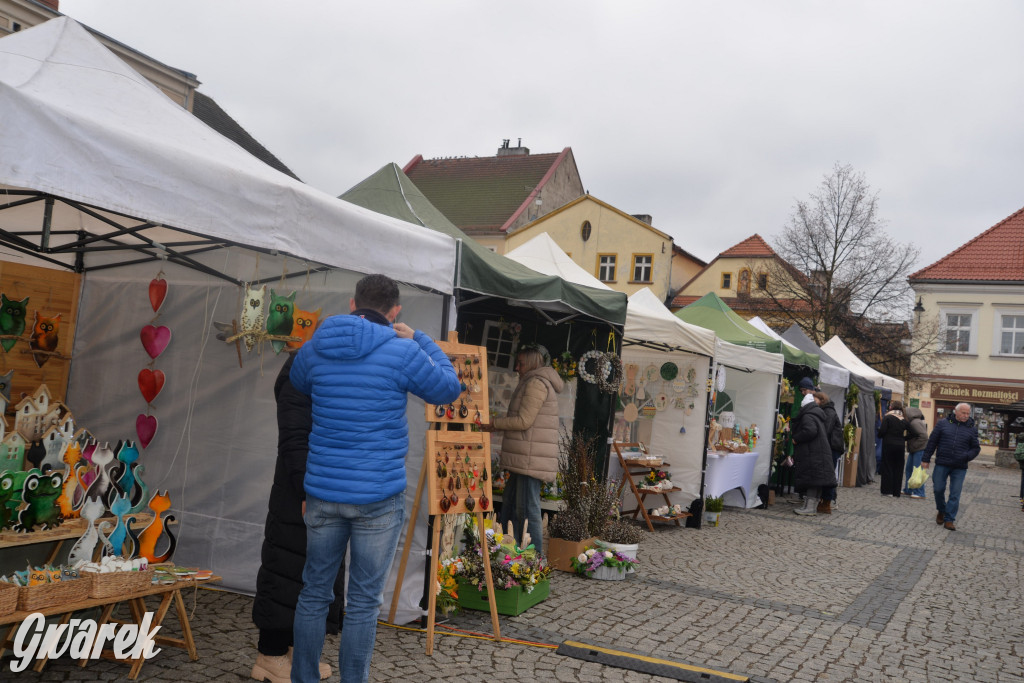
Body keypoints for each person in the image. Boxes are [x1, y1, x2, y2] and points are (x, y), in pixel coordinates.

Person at [288, 274, 461, 683]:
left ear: (352, 304)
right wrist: (418, 337)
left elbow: (299, 383)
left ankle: (303, 679)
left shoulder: (314, 349)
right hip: (378, 496)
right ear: (394, 311)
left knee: (313, 593)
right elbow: (449, 387)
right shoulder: (402, 350)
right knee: (363, 602)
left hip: (324, 492)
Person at [251, 353, 341, 683]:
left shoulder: (326, 368)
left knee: (310, 576)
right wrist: (307, 489)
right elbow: (295, 436)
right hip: (298, 488)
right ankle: (269, 656)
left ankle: (294, 653)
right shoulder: (302, 369)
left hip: (322, 485)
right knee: (284, 570)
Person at [482, 346, 563, 556]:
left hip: (529, 459)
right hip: (525, 457)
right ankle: (511, 552)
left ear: (533, 363)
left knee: (527, 510)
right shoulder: (532, 381)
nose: (517, 367)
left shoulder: (536, 383)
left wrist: (494, 423)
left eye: (521, 363)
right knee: (510, 507)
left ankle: (534, 559)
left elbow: (524, 421)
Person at [922, 402, 980, 531]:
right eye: (963, 413)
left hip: (959, 467)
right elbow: (932, 442)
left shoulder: (971, 429)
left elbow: (976, 448)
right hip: (942, 463)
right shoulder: (943, 424)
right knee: (938, 489)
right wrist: (926, 459)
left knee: (955, 494)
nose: (966, 416)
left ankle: (949, 519)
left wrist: (966, 456)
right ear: (956, 411)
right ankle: (941, 510)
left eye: (967, 413)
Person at [790, 391, 838, 516]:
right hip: (818, 451)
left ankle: (809, 508)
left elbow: (810, 431)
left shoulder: (808, 415)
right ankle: (811, 507)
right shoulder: (817, 414)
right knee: (817, 481)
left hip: (813, 452)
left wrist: (797, 438)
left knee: (812, 479)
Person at [812, 391, 844, 514]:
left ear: (822, 400)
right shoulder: (827, 410)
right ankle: (824, 501)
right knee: (827, 474)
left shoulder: (829, 412)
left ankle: (827, 503)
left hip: (832, 447)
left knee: (828, 475)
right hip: (831, 446)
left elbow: (825, 430)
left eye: (816, 401)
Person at [877, 400, 908, 497]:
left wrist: (880, 434)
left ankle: (887, 491)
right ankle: (896, 492)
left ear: (892, 407)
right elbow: (914, 432)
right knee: (898, 468)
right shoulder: (903, 419)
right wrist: (903, 439)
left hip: (888, 445)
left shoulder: (888, 417)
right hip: (900, 446)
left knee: (887, 467)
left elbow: (882, 431)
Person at [903, 406, 929, 499]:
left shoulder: (915, 423)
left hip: (919, 450)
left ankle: (920, 492)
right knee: (909, 469)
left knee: (917, 472)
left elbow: (924, 436)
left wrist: (914, 446)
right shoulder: (915, 421)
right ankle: (908, 489)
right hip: (915, 450)